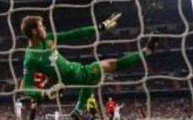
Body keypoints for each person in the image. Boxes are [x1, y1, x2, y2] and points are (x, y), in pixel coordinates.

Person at [20, 14, 158, 120]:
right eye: (41, 26)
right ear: (33, 31)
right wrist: (46, 92)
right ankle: (147, 51)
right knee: (110, 64)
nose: (44, 28)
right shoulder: (30, 58)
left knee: (93, 80)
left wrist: (99, 27)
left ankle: (79, 111)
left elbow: (74, 34)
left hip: (76, 68)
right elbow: (26, 87)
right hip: (74, 75)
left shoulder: (47, 39)